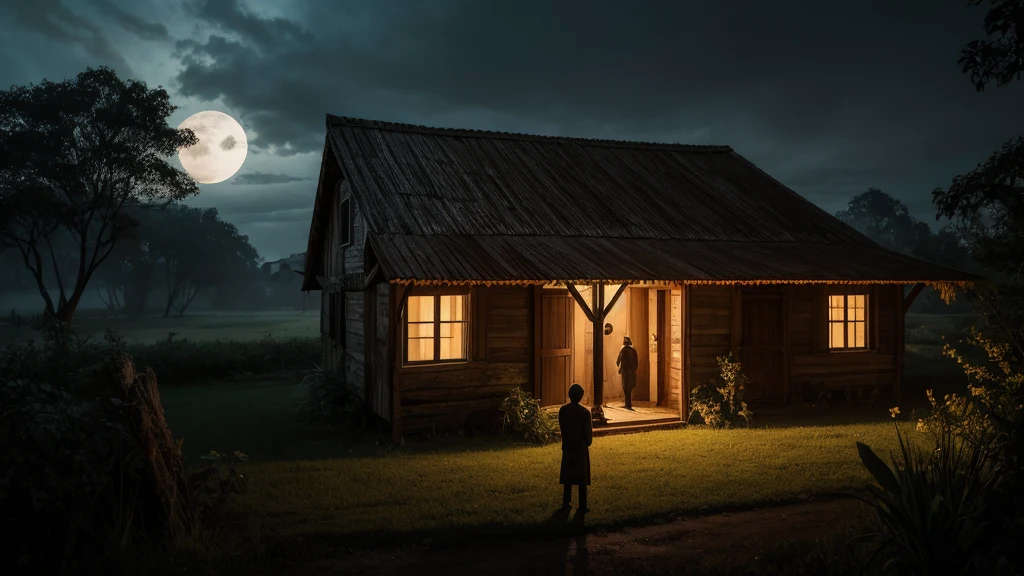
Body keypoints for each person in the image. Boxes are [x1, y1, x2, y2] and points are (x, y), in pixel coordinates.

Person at [559, 383, 592, 512]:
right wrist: (587, 442)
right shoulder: (584, 412)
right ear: (581, 397)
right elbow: (588, 434)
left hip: (567, 445)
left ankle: (566, 502)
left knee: (567, 475)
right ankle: (582, 505)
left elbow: (562, 427)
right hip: (580, 447)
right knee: (582, 477)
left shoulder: (563, 410)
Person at [616, 336, 639, 410]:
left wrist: (620, 367)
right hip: (631, 372)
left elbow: (618, 361)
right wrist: (634, 369)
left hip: (625, 372)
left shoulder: (623, 350)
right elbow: (636, 362)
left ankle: (627, 403)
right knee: (630, 387)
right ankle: (628, 403)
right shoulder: (633, 350)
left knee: (625, 388)